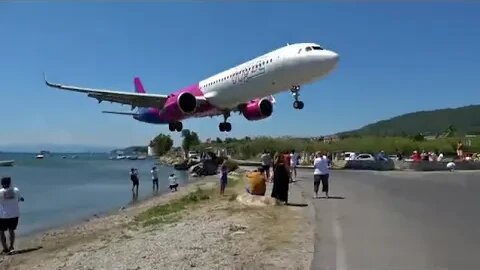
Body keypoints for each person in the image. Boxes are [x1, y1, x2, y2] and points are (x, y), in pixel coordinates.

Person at [0, 177, 24, 254]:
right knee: (11, 230)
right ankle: (11, 247)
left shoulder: (0, 192)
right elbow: (21, 199)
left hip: (3, 216)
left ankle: (5, 248)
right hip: (14, 214)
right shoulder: (16, 190)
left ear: (2, 183)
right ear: (10, 183)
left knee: (1, 232)